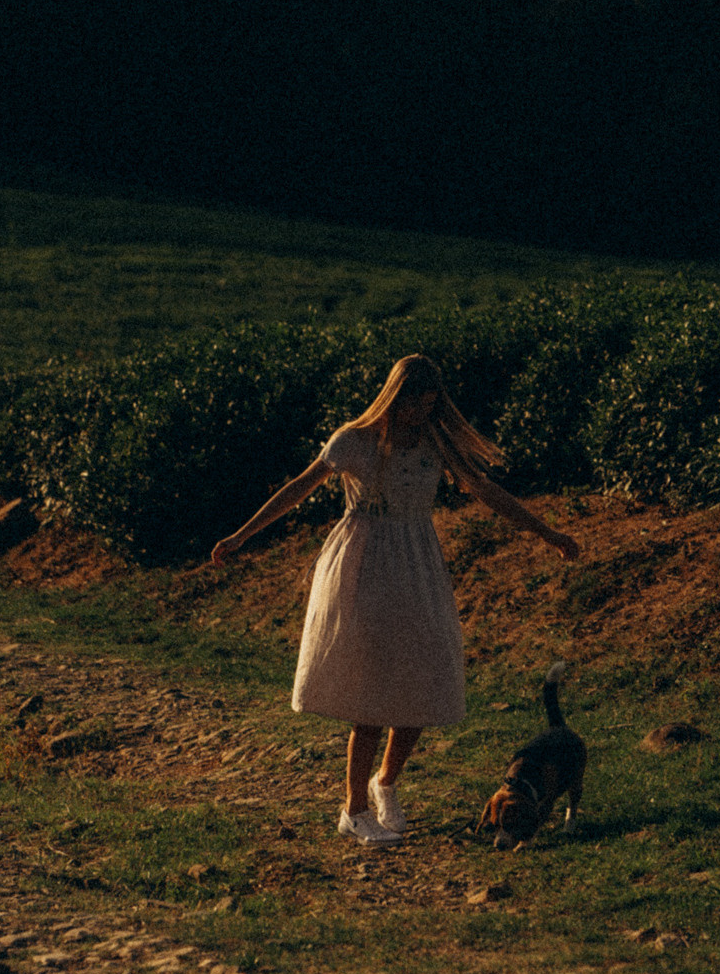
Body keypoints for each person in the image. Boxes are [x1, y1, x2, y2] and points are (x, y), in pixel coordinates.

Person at [210, 354, 579, 845]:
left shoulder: (435, 441)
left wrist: (547, 533)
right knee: (372, 691)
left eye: (428, 406)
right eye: (411, 404)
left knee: (424, 678)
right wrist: (241, 535)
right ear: (393, 396)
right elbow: (298, 488)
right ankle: (354, 810)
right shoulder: (353, 441)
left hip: (417, 563)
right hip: (362, 563)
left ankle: (384, 783)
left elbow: (486, 491)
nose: (418, 415)